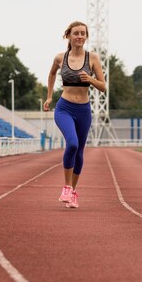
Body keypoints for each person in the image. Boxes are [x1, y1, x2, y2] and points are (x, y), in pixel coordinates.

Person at [43, 21, 106, 209]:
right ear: (68, 36)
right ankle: (66, 186)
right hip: (64, 108)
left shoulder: (92, 58)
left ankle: (73, 192)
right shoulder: (60, 58)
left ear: (86, 37)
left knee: (79, 151)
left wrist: (91, 79)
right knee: (72, 143)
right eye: (76, 33)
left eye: (83, 33)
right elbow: (52, 74)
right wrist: (48, 97)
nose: (80, 36)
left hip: (84, 110)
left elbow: (103, 87)